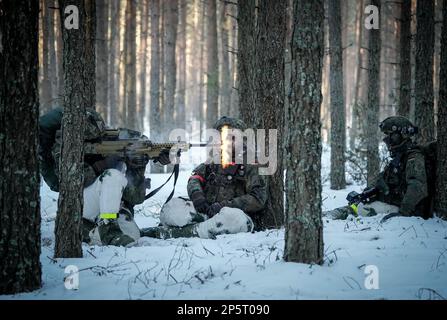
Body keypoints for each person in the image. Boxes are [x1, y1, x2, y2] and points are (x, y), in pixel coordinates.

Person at [39, 107, 170, 247]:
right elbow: (66, 182)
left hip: (111, 208)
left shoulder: (112, 138)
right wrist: (99, 166)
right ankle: (107, 229)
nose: (96, 139)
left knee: (132, 236)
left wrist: (137, 166)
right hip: (81, 204)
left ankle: (92, 233)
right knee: (112, 176)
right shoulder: (61, 145)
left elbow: (134, 198)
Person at [140, 116, 268, 239]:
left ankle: (172, 233)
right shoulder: (214, 159)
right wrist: (197, 196)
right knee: (172, 208)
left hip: (233, 216)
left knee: (236, 220)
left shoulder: (251, 163)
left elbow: (258, 198)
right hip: (206, 212)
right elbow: (195, 178)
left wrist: (225, 205)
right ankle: (201, 229)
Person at [325, 116, 430, 221]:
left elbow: (418, 187)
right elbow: (381, 179)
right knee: (356, 207)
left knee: (359, 210)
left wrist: (403, 212)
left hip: (405, 210)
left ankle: (332, 218)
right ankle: (328, 216)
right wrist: (368, 193)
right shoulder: (399, 157)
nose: (387, 139)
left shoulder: (414, 157)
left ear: (403, 135)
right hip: (389, 204)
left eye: (391, 135)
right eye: (387, 135)